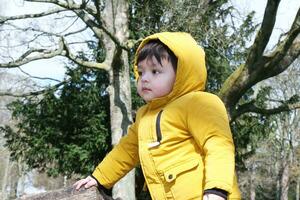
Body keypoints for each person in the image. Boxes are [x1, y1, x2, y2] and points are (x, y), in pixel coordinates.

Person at [74, 32, 241, 200]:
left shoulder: (199, 103)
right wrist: (99, 178)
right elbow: (126, 151)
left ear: (181, 74)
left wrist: (216, 190)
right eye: (141, 72)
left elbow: (218, 145)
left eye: (155, 71)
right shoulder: (144, 116)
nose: (144, 78)